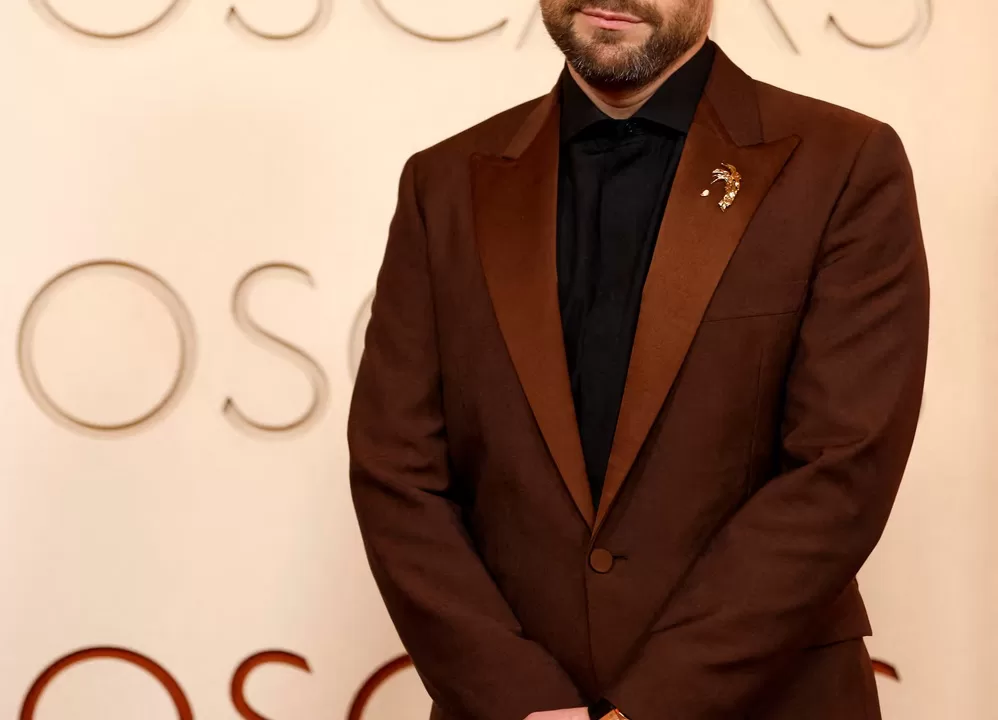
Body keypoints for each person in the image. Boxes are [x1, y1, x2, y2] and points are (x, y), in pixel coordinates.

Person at [348, 0, 930, 717]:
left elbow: (842, 469)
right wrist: (519, 700)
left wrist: (648, 707)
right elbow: (396, 470)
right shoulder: (440, 183)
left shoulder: (845, 163)